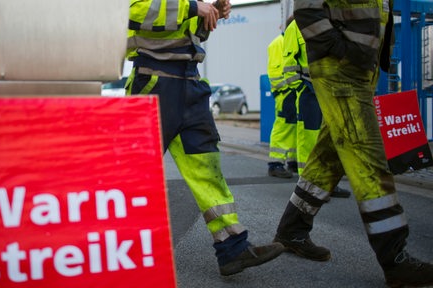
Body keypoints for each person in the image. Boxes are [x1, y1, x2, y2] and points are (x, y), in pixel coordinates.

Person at [273, 0, 433, 287]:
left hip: (360, 68)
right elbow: (308, 10)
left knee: (328, 158)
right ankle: (394, 258)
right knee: (367, 158)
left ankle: (292, 230)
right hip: (341, 70)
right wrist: (343, 52)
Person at [126, 0, 285, 277]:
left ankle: (232, 247)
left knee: (208, 170)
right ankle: (112, 251)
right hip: (153, 82)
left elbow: (186, 33)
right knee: (133, 174)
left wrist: (209, 15)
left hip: (190, 83)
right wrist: (192, 7)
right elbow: (133, 13)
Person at [267, 17, 350, 198]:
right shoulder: (288, 34)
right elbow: (283, 67)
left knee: (330, 136)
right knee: (304, 134)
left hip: (330, 90)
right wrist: (294, 88)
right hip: (305, 91)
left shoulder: (335, 19)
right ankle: (308, 183)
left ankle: (327, 182)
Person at [266, 19, 298, 179]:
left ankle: (292, 161)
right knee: (283, 126)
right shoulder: (278, 43)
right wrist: (287, 88)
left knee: (294, 126)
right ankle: (275, 164)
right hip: (286, 92)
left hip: (292, 91)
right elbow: (276, 71)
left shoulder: (288, 40)